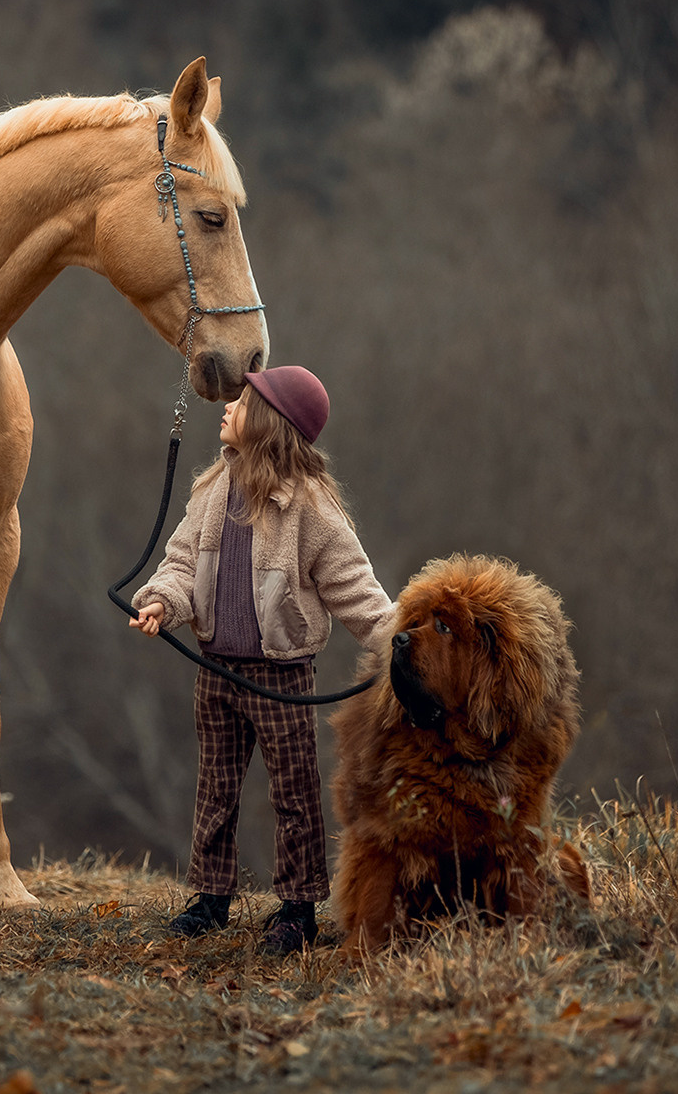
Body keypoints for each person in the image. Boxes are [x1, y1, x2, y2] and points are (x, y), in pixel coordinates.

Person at [130, 365, 396, 956]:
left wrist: (404, 642)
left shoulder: (311, 510)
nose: (227, 405)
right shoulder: (210, 491)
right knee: (216, 787)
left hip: (282, 678)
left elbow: (357, 591)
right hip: (216, 671)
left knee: (294, 793)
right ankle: (210, 898)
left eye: (243, 401)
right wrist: (160, 603)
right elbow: (178, 565)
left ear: (270, 424)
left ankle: (299, 908)